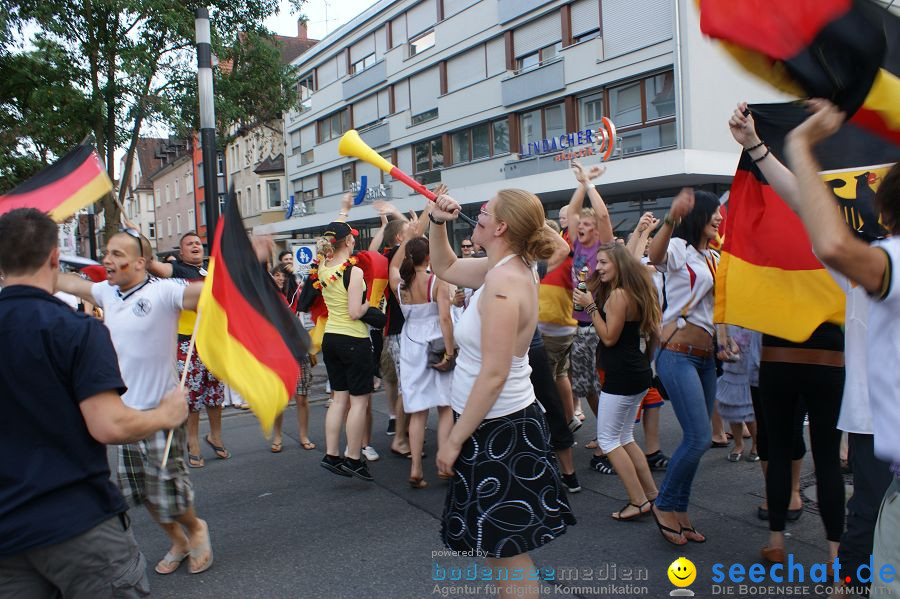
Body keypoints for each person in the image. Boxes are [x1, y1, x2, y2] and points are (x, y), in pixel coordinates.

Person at [0, 208, 188, 597]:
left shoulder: (150, 294)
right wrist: (166, 414)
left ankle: (189, 536)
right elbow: (109, 426)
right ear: (54, 257)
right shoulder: (76, 329)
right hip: (77, 524)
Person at [430, 189, 575, 599]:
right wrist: (438, 222)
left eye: (486, 211)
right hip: (493, 422)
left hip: (500, 428)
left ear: (501, 226)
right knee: (498, 549)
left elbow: (494, 374)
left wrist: (454, 440)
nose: (478, 213)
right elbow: (446, 265)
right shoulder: (503, 267)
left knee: (509, 555)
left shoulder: (504, 282)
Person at [782, 102, 897, 594]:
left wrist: (800, 147)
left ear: (886, 214)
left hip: (882, 435)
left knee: (870, 525)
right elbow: (814, 221)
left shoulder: (887, 260)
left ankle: (848, 585)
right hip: (875, 428)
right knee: (867, 520)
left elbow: (830, 241)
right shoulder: (871, 270)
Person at [55, 228, 214, 575]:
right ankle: (178, 541)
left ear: (140, 262)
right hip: (125, 413)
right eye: (106, 253)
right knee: (140, 492)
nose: (107, 260)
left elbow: (206, 293)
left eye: (115, 254)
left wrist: (241, 270)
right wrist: (37, 267)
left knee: (169, 489)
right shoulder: (107, 292)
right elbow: (69, 284)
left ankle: (196, 528)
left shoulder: (162, 292)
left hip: (162, 411)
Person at [728, 102, 846, 567]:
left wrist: (756, 142)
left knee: (777, 454)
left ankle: (776, 541)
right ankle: (837, 559)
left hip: (777, 359)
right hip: (830, 362)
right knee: (827, 462)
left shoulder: (773, 244)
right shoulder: (839, 240)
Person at [647, 187, 728, 546]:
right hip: (677, 352)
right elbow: (655, 253)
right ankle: (663, 504)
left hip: (707, 358)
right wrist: (671, 217)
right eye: (715, 213)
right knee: (697, 437)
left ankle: (679, 509)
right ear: (699, 215)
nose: (720, 219)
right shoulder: (679, 249)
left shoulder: (714, 256)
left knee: (699, 440)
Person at [574, 243, 661, 521]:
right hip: (636, 370)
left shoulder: (618, 296)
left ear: (618, 265)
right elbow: (653, 335)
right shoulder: (634, 291)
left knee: (609, 440)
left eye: (603, 263)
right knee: (624, 437)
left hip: (622, 374)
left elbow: (609, 337)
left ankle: (637, 501)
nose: (598, 267)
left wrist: (589, 308)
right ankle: (650, 495)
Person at [146, 231, 232, 464]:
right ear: (181, 251)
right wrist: (140, 244)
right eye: (189, 244)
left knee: (215, 393)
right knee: (192, 395)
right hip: (187, 341)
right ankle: (192, 441)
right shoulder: (176, 270)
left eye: (198, 243)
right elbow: (156, 267)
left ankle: (215, 436)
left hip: (213, 340)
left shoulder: (211, 269)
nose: (195, 246)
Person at [389, 234, 454, 488]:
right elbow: (446, 319)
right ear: (429, 257)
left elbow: (393, 266)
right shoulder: (438, 281)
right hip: (436, 343)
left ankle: (416, 468)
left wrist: (406, 239)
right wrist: (450, 351)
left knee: (418, 411)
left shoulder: (400, 285)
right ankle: (443, 460)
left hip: (411, 345)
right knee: (445, 405)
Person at [564, 160, 615, 471]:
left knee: (604, 383)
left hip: (600, 324)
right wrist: (582, 182)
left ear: (596, 229)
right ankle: (604, 433)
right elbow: (571, 212)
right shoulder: (576, 244)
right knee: (586, 385)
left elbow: (605, 214)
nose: (580, 228)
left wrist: (592, 186)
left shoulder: (603, 247)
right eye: (579, 226)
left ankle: (611, 438)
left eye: (586, 225)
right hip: (579, 326)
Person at [316, 221, 377, 481]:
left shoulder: (322, 267)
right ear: (349, 242)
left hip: (331, 337)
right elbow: (355, 312)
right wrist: (370, 306)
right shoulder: (354, 272)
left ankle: (332, 454)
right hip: (354, 338)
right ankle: (353, 458)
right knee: (359, 402)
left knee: (339, 399)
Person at [269, 264, 315, 454]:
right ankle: (277, 436)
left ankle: (304, 436)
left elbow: (304, 289)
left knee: (302, 397)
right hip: (277, 353)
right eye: (276, 275)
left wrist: (294, 273)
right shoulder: (269, 298)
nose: (280, 279)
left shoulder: (295, 296)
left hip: (297, 350)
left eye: (283, 276)